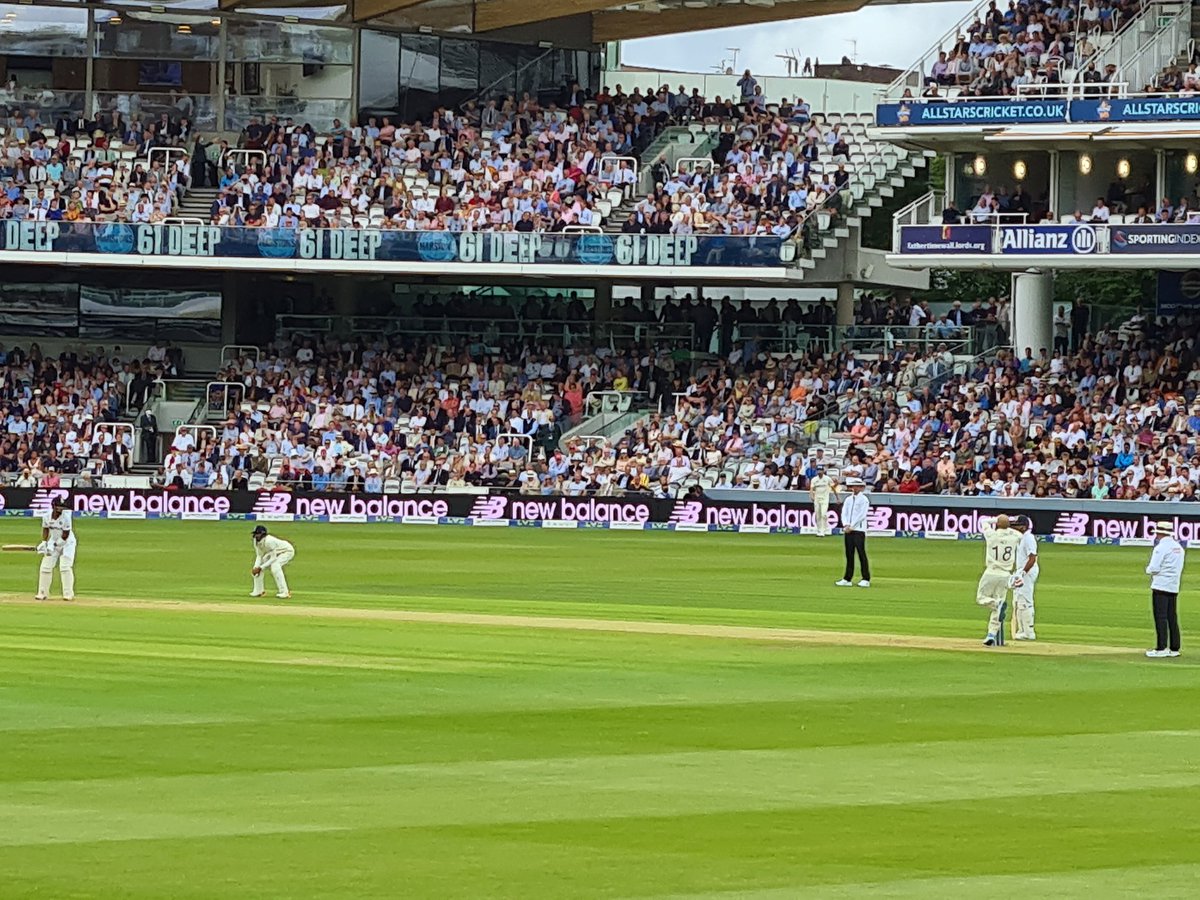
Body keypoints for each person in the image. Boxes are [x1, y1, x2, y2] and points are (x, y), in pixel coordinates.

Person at [978, 514, 1021, 646]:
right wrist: (1009, 521)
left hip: (991, 572)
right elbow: (1017, 532)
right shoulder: (1015, 536)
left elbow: (983, 521)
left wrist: (995, 519)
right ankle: (991, 634)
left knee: (981, 598)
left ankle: (996, 605)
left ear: (996, 524)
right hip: (1005, 575)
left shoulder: (991, 535)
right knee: (1000, 601)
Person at [1145, 520, 1184, 658]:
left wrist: (1148, 570)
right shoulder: (1178, 547)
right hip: (1173, 586)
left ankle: (1161, 648)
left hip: (1160, 585)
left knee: (1160, 617)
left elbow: (1154, 568)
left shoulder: (1161, 548)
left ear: (1159, 533)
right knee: (1172, 617)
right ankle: (1174, 648)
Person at [36, 497, 76, 601]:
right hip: (53, 540)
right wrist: (44, 543)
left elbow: (65, 535)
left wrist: (53, 545)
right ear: (53, 506)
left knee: (65, 567)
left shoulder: (66, 517)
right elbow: (45, 530)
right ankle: (42, 592)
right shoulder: (46, 516)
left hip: (67, 543)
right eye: (58, 507)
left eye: (62, 508)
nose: (60, 510)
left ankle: (68, 594)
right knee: (45, 566)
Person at [835, 477, 871, 587]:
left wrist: (852, 525)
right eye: (853, 486)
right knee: (849, 554)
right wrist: (846, 524)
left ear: (861, 487)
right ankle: (847, 578)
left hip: (859, 530)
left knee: (861, 553)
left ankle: (866, 578)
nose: (854, 488)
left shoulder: (864, 499)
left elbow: (862, 515)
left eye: (857, 486)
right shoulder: (848, 499)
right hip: (848, 530)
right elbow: (844, 513)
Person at [1010, 515, 1039, 641]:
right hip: (1021, 571)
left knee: (1025, 601)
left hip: (1027, 572)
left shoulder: (1029, 538)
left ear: (1023, 526)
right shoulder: (1021, 538)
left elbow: (1032, 558)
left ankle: (1029, 632)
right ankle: (1022, 630)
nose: (1015, 528)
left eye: (1017, 525)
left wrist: (1022, 572)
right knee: (1018, 600)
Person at [251, 524, 295, 599]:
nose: (256, 536)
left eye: (258, 534)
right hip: (273, 552)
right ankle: (258, 591)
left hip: (287, 550)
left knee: (275, 567)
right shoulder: (256, 541)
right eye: (255, 534)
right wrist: (256, 567)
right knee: (256, 569)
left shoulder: (269, 541)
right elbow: (259, 555)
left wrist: (260, 568)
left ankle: (285, 592)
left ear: (263, 534)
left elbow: (273, 558)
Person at [809, 465, 838, 537]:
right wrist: (811, 496)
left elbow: (833, 488)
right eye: (818, 470)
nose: (819, 472)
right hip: (817, 499)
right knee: (817, 515)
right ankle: (819, 530)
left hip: (825, 499)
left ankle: (823, 530)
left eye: (820, 470)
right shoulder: (814, 479)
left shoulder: (827, 479)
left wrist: (837, 497)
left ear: (823, 471)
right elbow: (811, 489)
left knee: (823, 514)